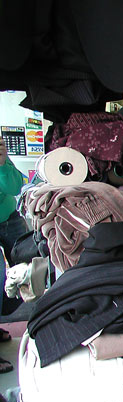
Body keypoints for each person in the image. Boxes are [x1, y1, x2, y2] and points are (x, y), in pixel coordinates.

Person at [0, 137, 28, 374]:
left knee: (28, 263)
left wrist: (2, 163)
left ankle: (4, 315)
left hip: (8, 218)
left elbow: (15, 187)